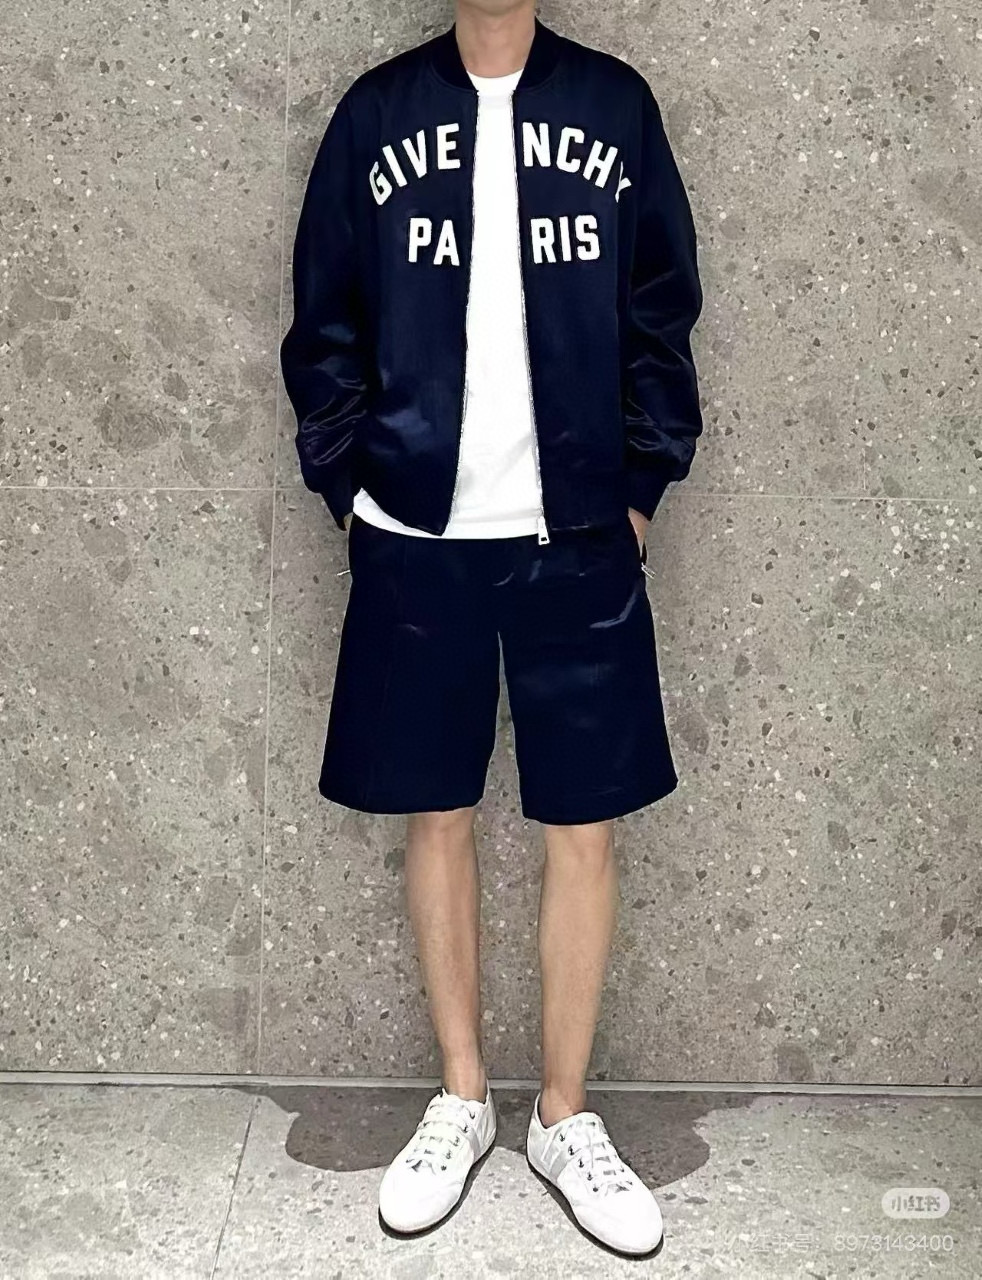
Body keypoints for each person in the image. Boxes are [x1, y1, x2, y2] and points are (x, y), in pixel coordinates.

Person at [280, 0, 703, 1257]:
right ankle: (461, 1096)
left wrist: (638, 486)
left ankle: (565, 1114)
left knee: (585, 822)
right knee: (436, 811)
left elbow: (662, 306)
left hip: (578, 526)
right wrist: (351, 487)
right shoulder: (379, 115)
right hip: (419, 529)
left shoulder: (613, 108)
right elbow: (323, 316)